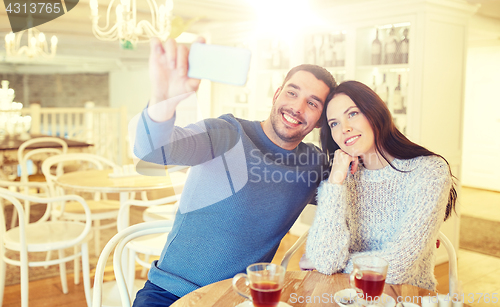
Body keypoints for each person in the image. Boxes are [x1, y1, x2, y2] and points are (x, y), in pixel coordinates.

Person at [131, 37, 337, 306]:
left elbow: (352, 199)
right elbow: (153, 150)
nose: (297, 107)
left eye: (312, 103)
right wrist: (164, 99)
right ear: (277, 95)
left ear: (321, 119)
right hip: (171, 292)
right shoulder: (226, 132)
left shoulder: (314, 164)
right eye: (292, 92)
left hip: (240, 299)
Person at [300, 80, 457, 291]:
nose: (344, 128)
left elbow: (398, 267)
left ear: (375, 113)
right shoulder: (344, 176)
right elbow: (326, 260)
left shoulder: (428, 171)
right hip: (345, 297)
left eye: (353, 113)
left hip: (405, 297)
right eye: (334, 123)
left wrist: (337, 262)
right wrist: (335, 181)